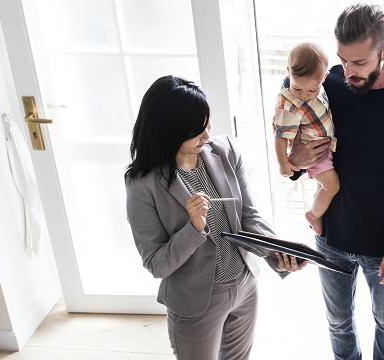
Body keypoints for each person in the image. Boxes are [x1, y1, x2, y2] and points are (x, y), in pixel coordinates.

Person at [286, 4, 384, 360]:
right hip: (331, 237)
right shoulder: (326, 84)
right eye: (342, 60)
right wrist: (294, 162)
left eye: (359, 63)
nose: (348, 72)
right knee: (338, 323)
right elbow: (291, 118)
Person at [125, 75, 307, 360]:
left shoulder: (226, 151)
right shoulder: (142, 185)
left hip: (245, 286)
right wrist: (194, 228)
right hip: (196, 302)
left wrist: (277, 252)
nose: (207, 136)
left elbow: (248, 216)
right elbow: (157, 264)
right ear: (170, 130)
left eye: (207, 124)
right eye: (197, 130)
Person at [272, 42, 339, 236]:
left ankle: (317, 210)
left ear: (324, 78)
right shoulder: (288, 105)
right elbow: (280, 136)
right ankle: (313, 215)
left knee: (322, 186)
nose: (303, 95)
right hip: (314, 154)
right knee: (332, 186)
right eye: (297, 88)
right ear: (288, 73)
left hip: (325, 149)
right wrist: (284, 163)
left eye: (311, 91)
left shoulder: (320, 85)